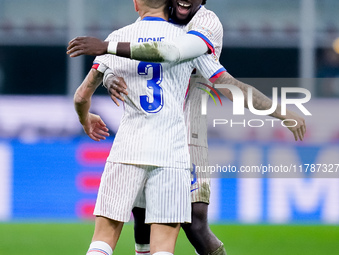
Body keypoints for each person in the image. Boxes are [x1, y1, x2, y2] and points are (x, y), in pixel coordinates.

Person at [68, 1, 306, 255]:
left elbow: (168, 53)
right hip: (170, 147)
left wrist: (104, 61)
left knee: (189, 223)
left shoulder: (200, 26)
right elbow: (226, 84)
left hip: (162, 138)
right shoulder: (171, 32)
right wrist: (109, 77)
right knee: (149, 227)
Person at [72, 0, 227, 255]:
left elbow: (80, 96)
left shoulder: (118, 38)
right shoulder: (183, 40)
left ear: (135, 4)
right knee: (162, 244)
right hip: (171, 150)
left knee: (102, 240)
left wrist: (85, 117)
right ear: (168, 4)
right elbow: (219, 78)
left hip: (129, 147)